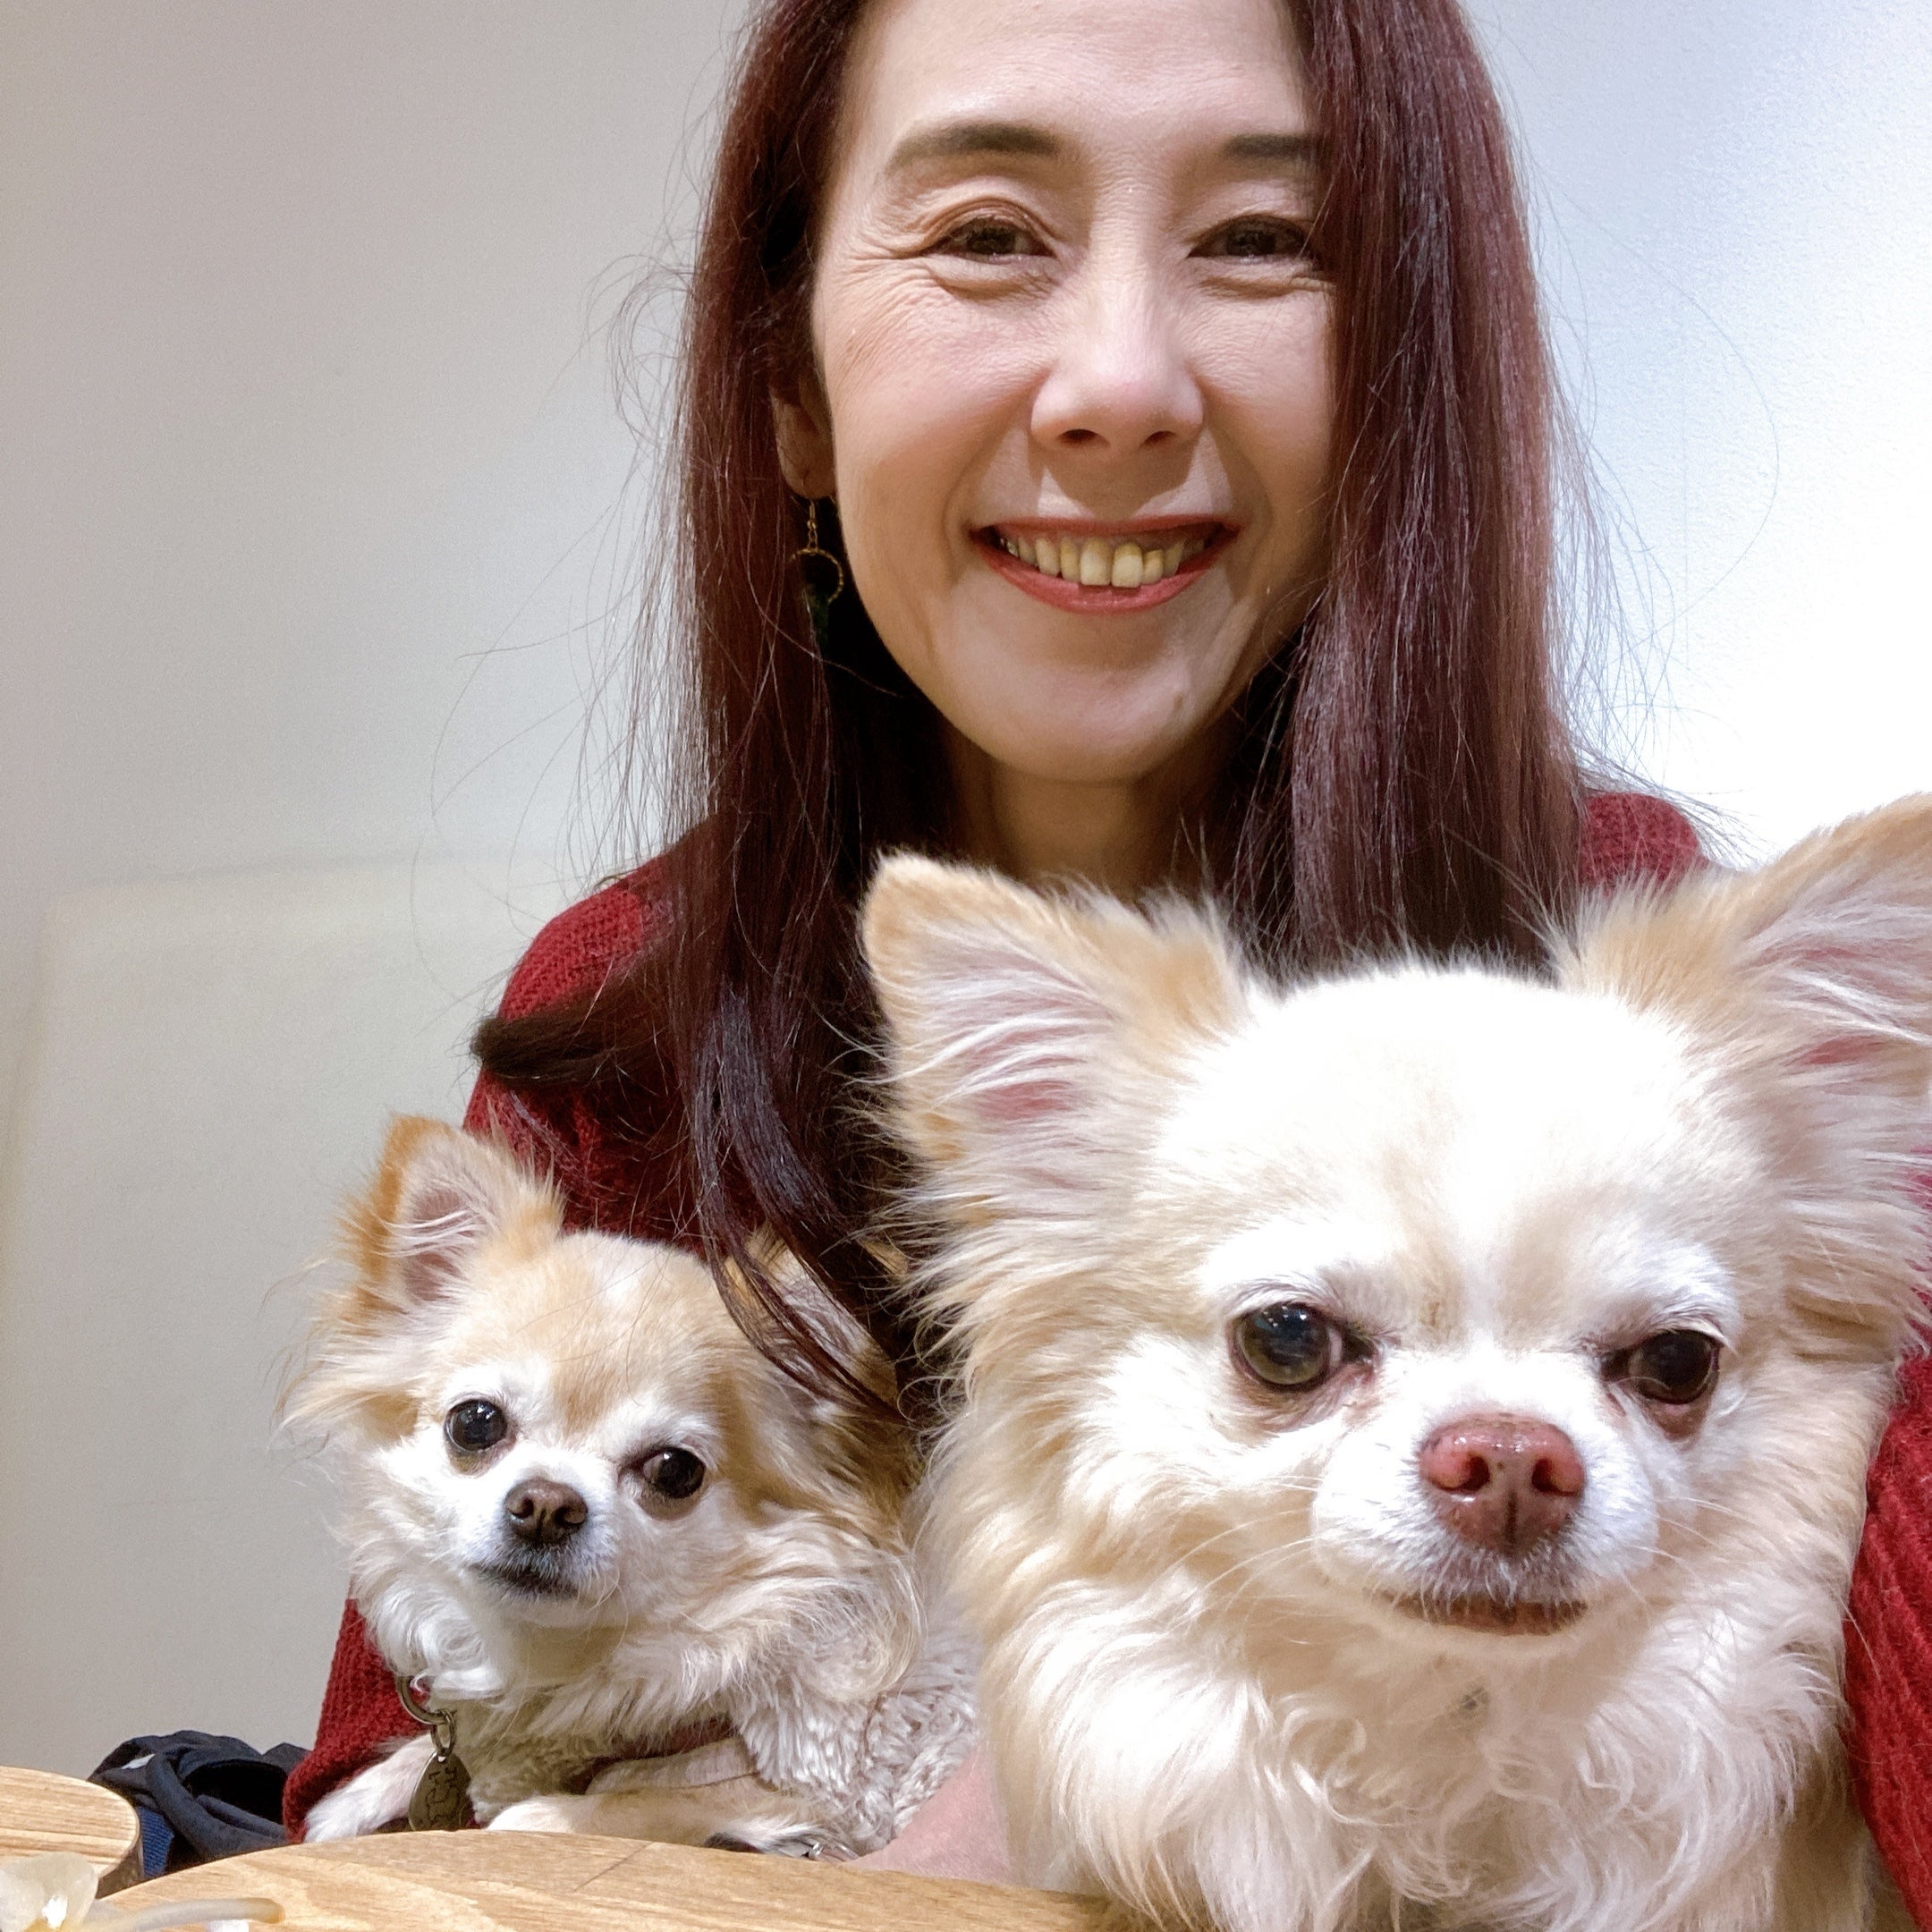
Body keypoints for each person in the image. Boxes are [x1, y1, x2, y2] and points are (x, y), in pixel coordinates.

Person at [281, 0, 1932, 1915]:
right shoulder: (635, 1010)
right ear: (789, 383)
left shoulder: (1679, 1038)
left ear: (1402, 368)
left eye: (1262, 241)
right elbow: (407, 1791)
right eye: (989, 235)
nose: (1122, 386)